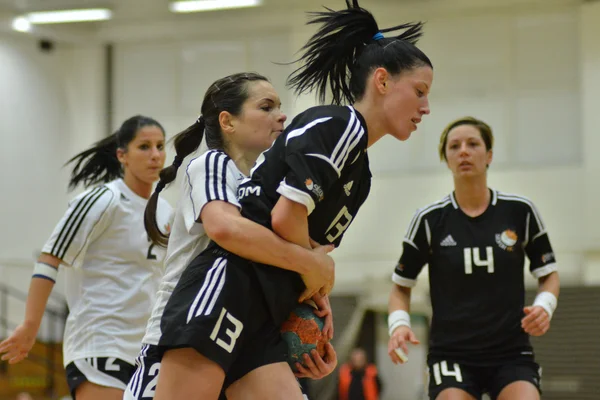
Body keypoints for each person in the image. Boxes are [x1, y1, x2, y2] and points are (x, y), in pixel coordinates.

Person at [155, 0, 433, 399]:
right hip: (229, 286)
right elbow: (287, 221)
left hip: (266, 309)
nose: (426, 107)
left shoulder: (361, 173)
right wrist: (317, 272)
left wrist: (316, 312)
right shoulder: (337, 126)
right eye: (420, 91)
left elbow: (306, 252)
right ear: (383, 81)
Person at [124, 72, 336, 400]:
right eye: (266, 107)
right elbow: (226, 228)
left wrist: (309, 323)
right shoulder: (212, 164)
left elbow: (272, 261)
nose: (281, 115)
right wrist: (310, 262)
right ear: (228, 122)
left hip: (242, 334)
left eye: (280, 107)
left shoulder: (271, 188)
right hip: (189, 330)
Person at [0, 116, 173, 400]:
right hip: (100, 343)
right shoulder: (102, 200)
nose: (155, 155)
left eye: (160, 146)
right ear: (122, 155)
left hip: (146, 348)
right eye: (144, 146)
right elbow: (49, 258)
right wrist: (30, 326)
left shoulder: (166, 212)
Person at [387, 117, 560, 400]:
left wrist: (545, 306)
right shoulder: (430, 220)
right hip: (452, 354)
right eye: (454, 146)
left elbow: (548, 274)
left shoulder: (520, 211)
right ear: (446, 159)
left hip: (511, 352)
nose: (464, 151)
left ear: (489, 155)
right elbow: (400, 287)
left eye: (473, 144)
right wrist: (399, 325)